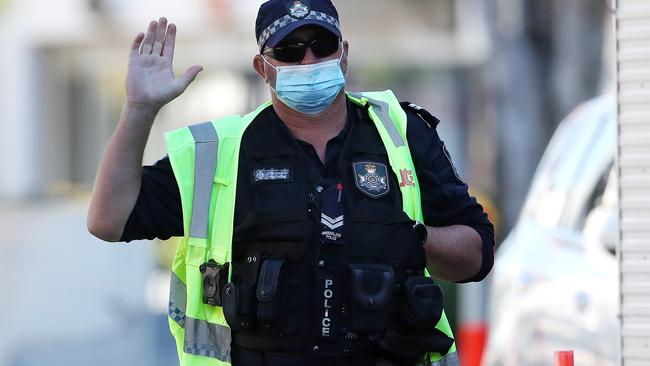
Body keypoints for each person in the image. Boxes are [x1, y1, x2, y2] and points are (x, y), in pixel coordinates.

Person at [88, 1, 494, 365]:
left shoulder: (401, 132)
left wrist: (410, 238)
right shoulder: (217, 152)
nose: (309, 59)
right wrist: (139, 110)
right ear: (263, 67)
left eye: (322, 43)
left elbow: (477, 253)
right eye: (289, 50)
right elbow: (108, 220)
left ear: (344, 54)